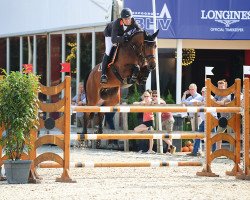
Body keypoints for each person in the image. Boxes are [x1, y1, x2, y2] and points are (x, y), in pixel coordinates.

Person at [100, 8, 141, 83]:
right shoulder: (117, 23)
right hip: (110, 35)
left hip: (121, 36)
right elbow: (113, 39)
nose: (128, 21)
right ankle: (103, 74)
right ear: (122, 19)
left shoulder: (134, 22)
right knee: (108, 51)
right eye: (125, 19)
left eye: (129, 18)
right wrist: (124, 38)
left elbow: (140, 32)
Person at [187, 87, 216, 156]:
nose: (203, 93)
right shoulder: (201, 98)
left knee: (213, 136)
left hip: (212, 119)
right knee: (198, 135)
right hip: (205, 120)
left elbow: (206, 103)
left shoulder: (211, 97)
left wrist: (199, 103)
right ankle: (195, 151)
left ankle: (214, 152)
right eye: (202, 92)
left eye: (205, 92)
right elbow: (191, 102)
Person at [212, 79, 231, 150]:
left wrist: (217, 102)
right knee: (218, 135)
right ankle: (218, 151)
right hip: (223, 118)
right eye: (219, 87)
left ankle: (233, 152)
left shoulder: (228, 94)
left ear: (225, 87)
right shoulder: (217, 94)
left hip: (231, 118)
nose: (220, 88)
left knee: (231, 136)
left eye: (221, 87)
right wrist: (217, 102)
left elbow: (222, 102)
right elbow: (213, 102)